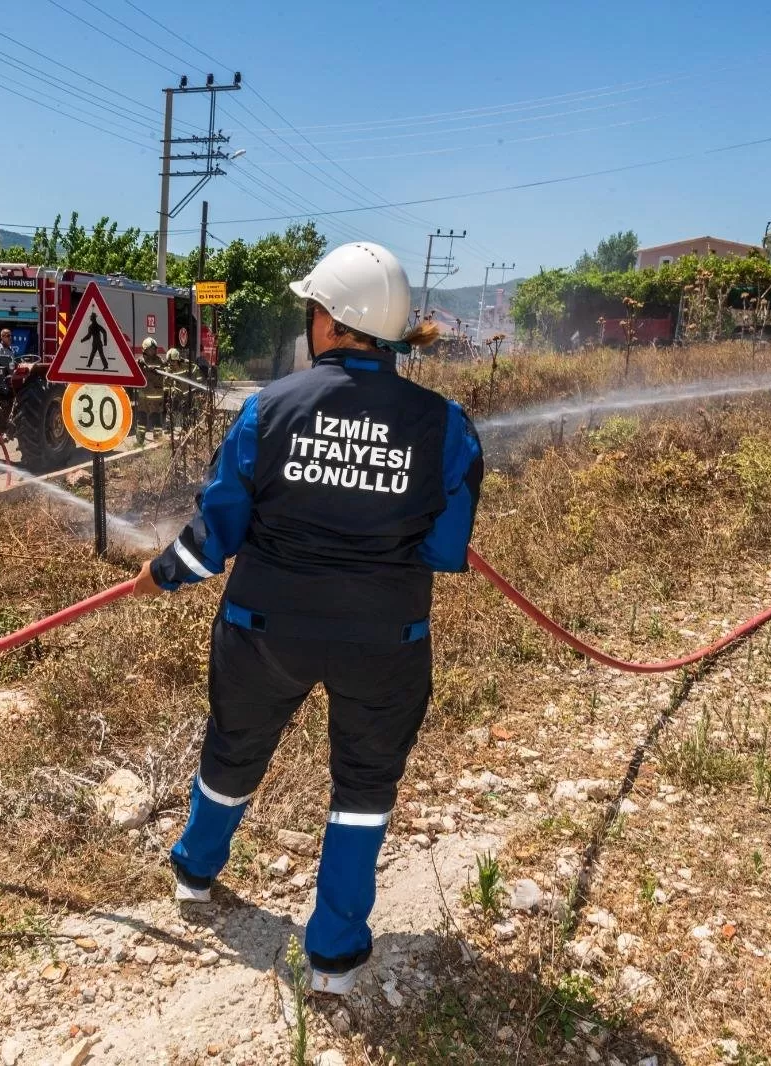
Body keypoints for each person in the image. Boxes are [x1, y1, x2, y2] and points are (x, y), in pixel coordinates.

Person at [131, 242, 484, 995]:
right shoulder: (446, 424)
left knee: (233, 752)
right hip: (385, 642)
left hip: (265, 630)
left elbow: (216, 531)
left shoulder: (268, 408)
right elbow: (448, 549)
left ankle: (195, 873)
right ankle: (334, 957)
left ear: (325, 321)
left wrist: (162, 574)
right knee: (362, 790)